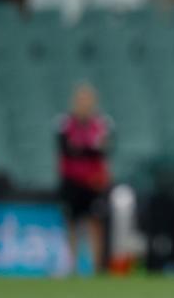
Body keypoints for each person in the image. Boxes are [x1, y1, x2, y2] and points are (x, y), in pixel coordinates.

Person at [57, 82, 112, 274]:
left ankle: (96, 268)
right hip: (71, 182)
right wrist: (89, 149)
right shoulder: (65, 123)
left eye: (88, 100)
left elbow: (103, 151)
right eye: (81, 100)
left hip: (93, 184)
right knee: (72, 224)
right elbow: (69, 150)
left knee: (94, 224)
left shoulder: (101, 124)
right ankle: (71, 265)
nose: (85, 104)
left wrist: (83, 149)